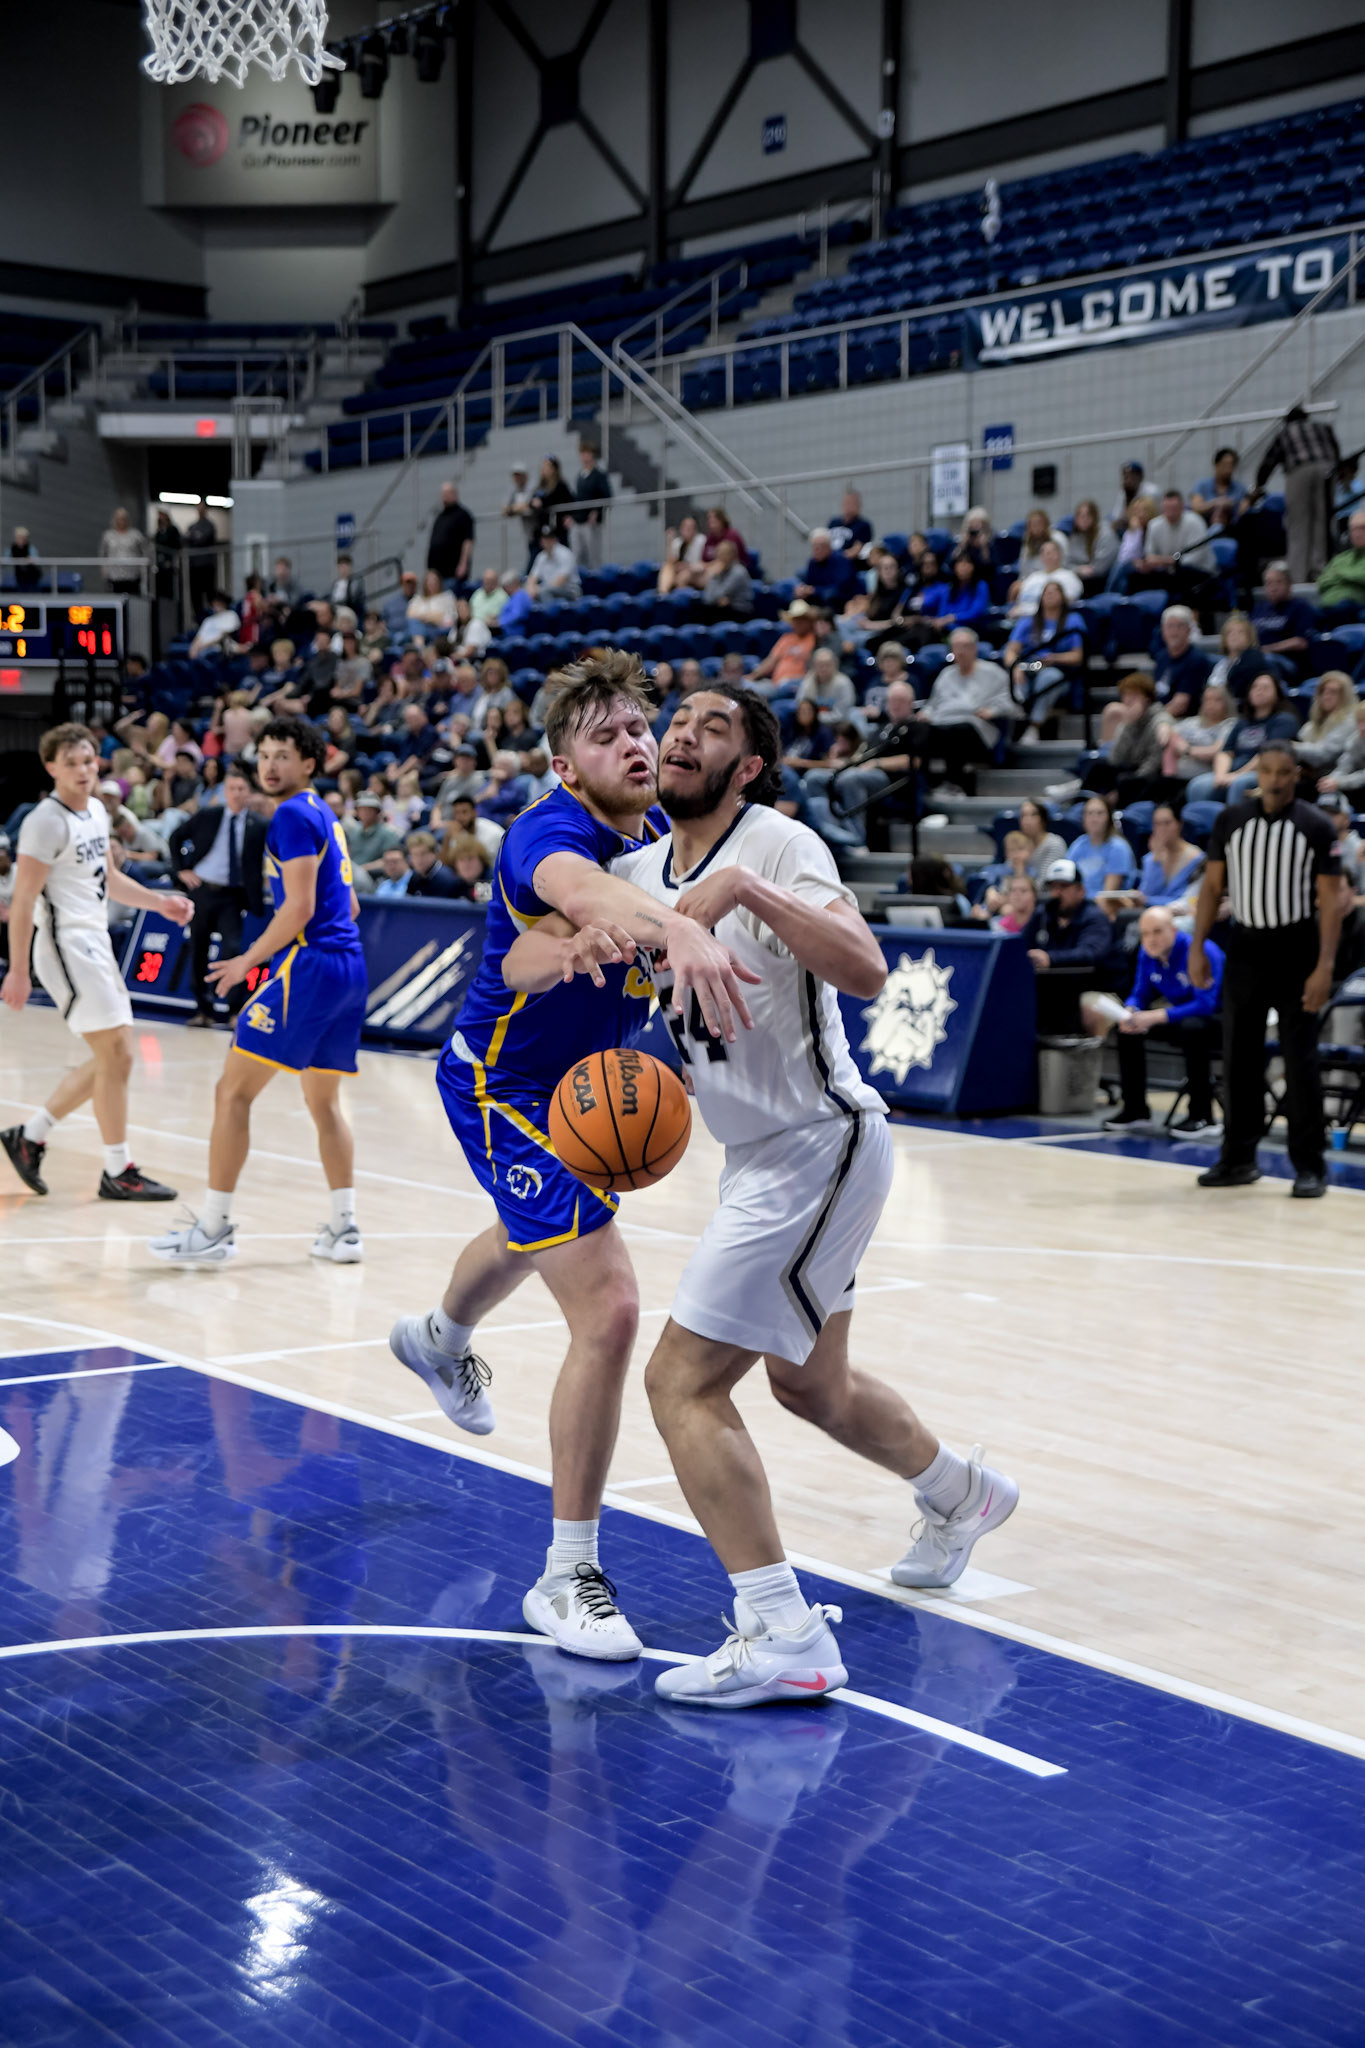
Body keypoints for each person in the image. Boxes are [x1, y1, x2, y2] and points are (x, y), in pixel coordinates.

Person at [505, 680, 1018, 1704]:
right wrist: (570, 949)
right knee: (812, 1386)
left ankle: (783, 1630)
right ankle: (961, 1493)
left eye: (711, 728)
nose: (680, 734)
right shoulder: (637, 869)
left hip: (818, 1143)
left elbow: (865, 969)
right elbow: (517, 961)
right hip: (758, 1156)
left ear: (746, 768)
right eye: (676, 721)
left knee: (681, 1383)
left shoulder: (780, 845)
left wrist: (744, 892)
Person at [386, 652, 759, 1662]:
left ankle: (437, 1335)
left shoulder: (658, 835)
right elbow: (556, 917)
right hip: (501, 1086)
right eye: (606, 735)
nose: (635, 744)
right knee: (611, 1306)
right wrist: (643, 933)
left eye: (640, 727)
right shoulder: (547, 836)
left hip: (583, 1092)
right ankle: (566, 1574)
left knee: (537, 1231)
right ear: (562, 767)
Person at [148, 716, 370, 1265]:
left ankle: (213, 1228)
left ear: (309, 763)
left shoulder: (291, 814)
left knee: (232, 1093)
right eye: (264, 755)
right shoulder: (324, 812)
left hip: (312, 965)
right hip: (349, 967)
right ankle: (344, 1229)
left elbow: (299, 909)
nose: (270, 765)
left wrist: (247, 961)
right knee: (324, 1103)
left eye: (282, 756)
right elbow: (349, 903)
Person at [1, 723, 192, 1201]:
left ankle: (30, 1136)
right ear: (51, 767)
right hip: (65, 944)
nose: (83, 770)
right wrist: (19, 970)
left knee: (116, 1056)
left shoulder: (97, 811)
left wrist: (160, 902)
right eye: (71, 763)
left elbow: (109, 879)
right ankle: (117, 1169)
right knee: (116, 1054)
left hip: (95, 940)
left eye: (88, 761)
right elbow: (22, 902)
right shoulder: (45, 821)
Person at [1189, 742, 1341, 1196]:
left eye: (1283, 772)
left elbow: (1331, 900)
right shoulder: (1231, 820)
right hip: (1245, 947)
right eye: (1268, 771)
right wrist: (1197, 947)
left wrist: (1324, 966)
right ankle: (1238, 1158)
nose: (1275, 780)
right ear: (1258, 773)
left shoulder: (1315, 825)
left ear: (1296, 775)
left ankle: (1310, 1165)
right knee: (1238, 1057)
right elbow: (1212, 888)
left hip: (1297, 948)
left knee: (1300, 1059)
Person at [1083, 907, 1224, 1135]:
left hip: (1222, 1022)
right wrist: (1131, 1010)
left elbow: (1205, 1004)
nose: (1151, 939)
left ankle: (1202, 1116)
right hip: (1180, 1017)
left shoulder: (1202, 951)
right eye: (1145, 934)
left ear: (1174, 930)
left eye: (1157, 931)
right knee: (1129, 1030)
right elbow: (1140, 993)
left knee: (1193, 1028)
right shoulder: (1148, 953)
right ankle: (1135, 1110)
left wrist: (1156, 1016)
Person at [172, 763, 267, 1026]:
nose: (236, 793)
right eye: (232, 788)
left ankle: (235, 1010)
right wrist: (182, 870)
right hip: (202, 890)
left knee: (233, 949)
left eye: (241, 789)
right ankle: (203, 1010)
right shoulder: (209, 815)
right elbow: (176, 837)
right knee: (198, 949)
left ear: (249, 793)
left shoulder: (259, 824)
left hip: (233, 896)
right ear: (225, 792)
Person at [801, 678, 920, 853]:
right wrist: (843, 760)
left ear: (911, 703)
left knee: (851, 779)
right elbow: (861, 754)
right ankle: (829, 830)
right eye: (892, 700)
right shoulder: (881, 728)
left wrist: (877, 763)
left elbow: (915, 761)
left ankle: (856, 838)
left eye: (900, 701)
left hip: (892, 779)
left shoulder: (917, 727)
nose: (895, 705)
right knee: (814, 777)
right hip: (861, 769)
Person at [911, 627, 1013, 797]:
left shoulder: (993, 672)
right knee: (917, 728)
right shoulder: (946, 674)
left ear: (975, 648)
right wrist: (925, 714)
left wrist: (992, 711)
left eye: (965, 646)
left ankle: (954, 783)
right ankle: (924, 784)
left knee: (956, 730)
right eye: (957, 647)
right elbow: (931, 704)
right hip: (941, 723)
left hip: (976, 728)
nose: (961, 651)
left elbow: (1010, 702)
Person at [1023, 858, 1116, 1031]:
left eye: (1064, 887)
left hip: (1092, 987)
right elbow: (1022, 945)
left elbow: (1090, 953)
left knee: (1090, 1008)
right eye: (1053, 887)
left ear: (1081, 890)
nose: (1057, 893)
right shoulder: (1043, 914)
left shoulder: (1094, 917)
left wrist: (1050, 958)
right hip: (1050, 986)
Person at [1253, 404, 1341, 585]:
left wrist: (1259, 485)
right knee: (1322, 523)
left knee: (1298, 525)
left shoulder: (1285, 433)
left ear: (1288, 421)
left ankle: (1298, 576)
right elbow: (1336, 451)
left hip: (1299, 471)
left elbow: (1269, 461)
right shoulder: (1323, 427)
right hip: (1327, 469)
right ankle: (1319, 571)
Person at [1187, 672, 1298, 805]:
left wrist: (1237, 775)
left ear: (1277, 693)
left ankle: (1234, 818)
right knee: (1197, 785)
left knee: (1239, 784)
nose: (1259, 691)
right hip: (1232, 772)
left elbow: (1268, 756)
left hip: (1262, 772)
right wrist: (1221, 775)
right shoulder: (1243, 722)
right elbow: (1225, 752)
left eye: (1265, 687)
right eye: (1255, 687)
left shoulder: (1284, 720)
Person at [999, 579, 1086, 740]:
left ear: (1063, 597)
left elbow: (1078, 656)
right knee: (1010, 679)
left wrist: (1055, 658)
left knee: (1048, 678)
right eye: (1047, 592)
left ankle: (1034, 726)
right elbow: (1011, 651)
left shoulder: (1073, 620)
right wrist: (1014, 668)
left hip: (1059, 671)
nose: (1050, 595)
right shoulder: (1028, 621)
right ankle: (1016, 720)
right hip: (1028, 667)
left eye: (1055, 591)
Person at [1086, 673, 1170, 805]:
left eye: (1133, 695)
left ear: (1147, 698)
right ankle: (1082, 804)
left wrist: (1132, 780)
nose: (1128, 700)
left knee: (1125, 780)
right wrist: (1127, 725)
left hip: (1150, 775)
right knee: (1099, 768)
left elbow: (1154, 764)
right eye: (1125, 695)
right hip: (1132, 769)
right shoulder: (1129, 721)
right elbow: (1115, 759)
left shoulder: (1159, 719)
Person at [1128, 488, 1215, 613]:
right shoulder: (1154, 525)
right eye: (1166, 509)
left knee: (1184, 574)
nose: (1170, 513)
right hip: (1170, 572)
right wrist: (1146, 564)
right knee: (1135, 576)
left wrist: (1164, 561)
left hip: (1199, 572)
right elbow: (1149, 555)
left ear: (1182, 507)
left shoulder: (1194, 522)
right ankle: (1134, 612)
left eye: (1173, 509)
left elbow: (1194, 559)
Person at [1120, 801, 1205, 914]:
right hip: (1151, 912)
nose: (1162, 829)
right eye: (1157, 824)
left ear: (1179, 824)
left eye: (1167, 823)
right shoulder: (1151, 858)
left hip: (1180, 913)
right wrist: (1156, 861)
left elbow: (1187, 900)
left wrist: (1148, 901)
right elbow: (1147, 893)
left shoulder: (1197, 858)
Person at [1250, 561, 1317, 678]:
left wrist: (1267, 649)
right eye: (1268, 583)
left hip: (1289, 663)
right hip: (1260, 657)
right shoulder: (1259, 609)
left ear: (1289, 584)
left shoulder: (1300, 607)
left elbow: (1302, 642)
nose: (1273, 588)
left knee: (1265, 660)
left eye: (1278, 582)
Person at [1167, 681, 1237, 789]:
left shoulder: (1230, 724)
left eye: (1217, 700)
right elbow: (1170, 732)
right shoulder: (1192, 722)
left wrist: (1187, 750)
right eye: (1207, 700)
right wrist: (1177, 740)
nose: (1211, 704)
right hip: (1176, 777)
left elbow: (1218, 750)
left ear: (1227, 703)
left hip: (1202, 780)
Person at [1067, 793, 1136, 904]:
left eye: (1100, 813)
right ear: (1083, 818)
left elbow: (1108, 895)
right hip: (1077, 902)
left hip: (1101, 905)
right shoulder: (1078, 844)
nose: (1094, 819)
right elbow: (1067, 877)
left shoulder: (1118, 848)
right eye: (1090, 813)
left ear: (1109, 818)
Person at [1294, 671, 1358, 781]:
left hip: (1336, 780)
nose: (1326, 696)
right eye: (1323, 691)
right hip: (1314, 777)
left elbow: (1324, 755)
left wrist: (1291, 747)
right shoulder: (1313, 724)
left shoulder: (1350, 721)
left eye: (1333, 692)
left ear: (1345, 696)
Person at [1205, 612, 1265, 703]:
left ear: (1249, 638)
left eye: (1240, 632)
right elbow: (1211, 688)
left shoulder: (1254, 659)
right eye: (1230, 632)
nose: (1234, 635)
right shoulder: (1221, 665)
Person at [1316, 508, 1365, 614]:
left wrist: (1340, 574)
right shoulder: (1340, 558)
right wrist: (1352, 579)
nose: (1357, 533)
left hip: (1354, 607)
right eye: (1353, 529)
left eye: (1362, 528)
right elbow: (1322, 583)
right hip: (1327, 607)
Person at [795, 529, 858, 611]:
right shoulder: (812, 562)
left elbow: (840, 589)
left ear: (828, 547)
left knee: (829, 595)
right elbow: (809, 584)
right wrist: (803, 590)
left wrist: (814, 590)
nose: (816, 550)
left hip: (842, 599)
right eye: (814, 546)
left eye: (819, 547)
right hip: (819, 596)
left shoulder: (842, 560)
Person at [570, 442, 611, 569]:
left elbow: (607, 496)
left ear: (592, 455)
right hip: (579, 519)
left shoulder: (599, 475)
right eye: (582, 454)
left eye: (587, 453)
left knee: (593, 555)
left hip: (591, 521)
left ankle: (596, 577)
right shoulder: (580, 475)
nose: (584, 457)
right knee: (577, 554)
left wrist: (596, 511)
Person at [1063, 500, 1118, 593]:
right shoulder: (1075, 536)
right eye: (1080, 516)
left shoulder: (1106, 534)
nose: (1083, 519)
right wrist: (1078, 570)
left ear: (1094, 517)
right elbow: (1067, 563)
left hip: (1102, 579)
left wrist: (1086, 570)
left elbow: (1101, 568)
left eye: (1087, 516)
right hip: (1080, 576)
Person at [1190, 447, 1246, 532]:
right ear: (1216, 465)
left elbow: (1243, 512)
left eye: (1231, 465)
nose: (1228, 470)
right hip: (1204, 531)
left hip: (1232, 531)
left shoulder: (1240, 488)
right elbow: (1196, 507)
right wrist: (1215, 503)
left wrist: (1233, 506)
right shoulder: (1202, 485)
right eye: (1225, 465)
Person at [427, 481, 474, 584]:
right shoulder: (440, 516)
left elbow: (468, 541)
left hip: (453, 572)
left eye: (447, 493)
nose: (444, 496)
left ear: (455, 494)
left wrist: (463, 564)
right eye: (442, 493)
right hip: (437, 573)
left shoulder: (463, 515)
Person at [99, 508, 149, 597]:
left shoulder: (136, 535)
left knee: (133, 600)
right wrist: (105, 572)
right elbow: (103, 554)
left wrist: (144, 571)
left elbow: (145, 552)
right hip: (114, 577)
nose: (121, 522)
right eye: (119, 519)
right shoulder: (108, 535)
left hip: (133, 576)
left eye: (123, 519)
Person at [527, 523, 582, 603]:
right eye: (544, 539)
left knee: (545, 592)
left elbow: (560, 581)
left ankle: (548, 611)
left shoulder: (565, 554)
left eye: (549, 539)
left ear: (555, 539)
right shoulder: (541, 556)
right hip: (549, 589)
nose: (546, 542)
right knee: (524, 592)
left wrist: (539, 589)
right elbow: (532, 577)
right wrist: (530, 588)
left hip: (570, 590)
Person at [183, 500, 219, 616]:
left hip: (207, 565)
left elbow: (202, 539)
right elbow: (186, 538)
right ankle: (198, 617)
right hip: (194, 565)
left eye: (202, 508)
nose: (200, 510)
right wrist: (195, 537)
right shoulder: (193, 526)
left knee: (209, 593)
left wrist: (194, 537)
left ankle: (212, 615)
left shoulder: (210, 525)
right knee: (195, 595)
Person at [530, 456, 573, 548]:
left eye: (548, 466)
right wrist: (536, 503)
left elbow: (554, 499)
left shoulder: (560, 485)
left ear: (554, 469)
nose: (544, 469)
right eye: (543, 466)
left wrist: (542, 502)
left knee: (561, 551)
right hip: (542, 529)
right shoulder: (540, 486)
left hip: (557, 529)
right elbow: (532, 501)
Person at [658, 514, 706, 594]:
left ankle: (681, 597)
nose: (686, 529)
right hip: (680, 570)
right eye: (684, 527)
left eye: (689, 527)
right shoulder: (678, 542)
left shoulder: (701, 541)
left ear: (695, 530)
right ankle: (662, 594)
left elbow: (702, 563)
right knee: (667, 567)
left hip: (695, 572)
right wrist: (670, 542)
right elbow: (671, 561)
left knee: (683, 576)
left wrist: (685, 566)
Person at [502, 463, 540, 563]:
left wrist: (512, 509)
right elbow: (504, 509)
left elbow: (527, 505)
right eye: (515, 476)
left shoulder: (533, 486)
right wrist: (516, 508)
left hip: (538, 528)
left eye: (519, 475)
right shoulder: (513, 489)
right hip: (528, 532)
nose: (517, 478)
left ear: (525, 475)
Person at [188, 591, 241, 660]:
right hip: (202, 649)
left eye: (219, 602)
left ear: (224, 602)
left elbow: (224, 635)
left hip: (218, 649)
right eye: (214, 602)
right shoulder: (208, 620)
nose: (216, 604)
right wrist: (193, 648)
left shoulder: (231, 615)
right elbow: (199, 636)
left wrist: (202, 646)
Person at [828, 489, 872, 556]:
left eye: (853, 503)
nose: (849, 506)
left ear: (859, 505)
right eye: (847, 502)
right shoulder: (833, 522)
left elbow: (856, 550)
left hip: (847, 561)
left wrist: (837, 558)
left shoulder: (863, 525)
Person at [1109, 459, 1146, 531]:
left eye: (1132, 477)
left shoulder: (1151, 492)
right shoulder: (1124, 492)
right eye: (1126, 477)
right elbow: (1116, 517)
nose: (1128, 481)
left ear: (1140, 477)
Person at [8, 524, 43, 592]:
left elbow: (37, 560)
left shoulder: (31, 548)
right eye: (18, 537)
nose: (20, 539)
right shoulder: (12, 548)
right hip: (20, 577)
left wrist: (32, 560)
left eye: (22, 537)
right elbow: (6, 559)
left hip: (32, 577)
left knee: (33, 593)